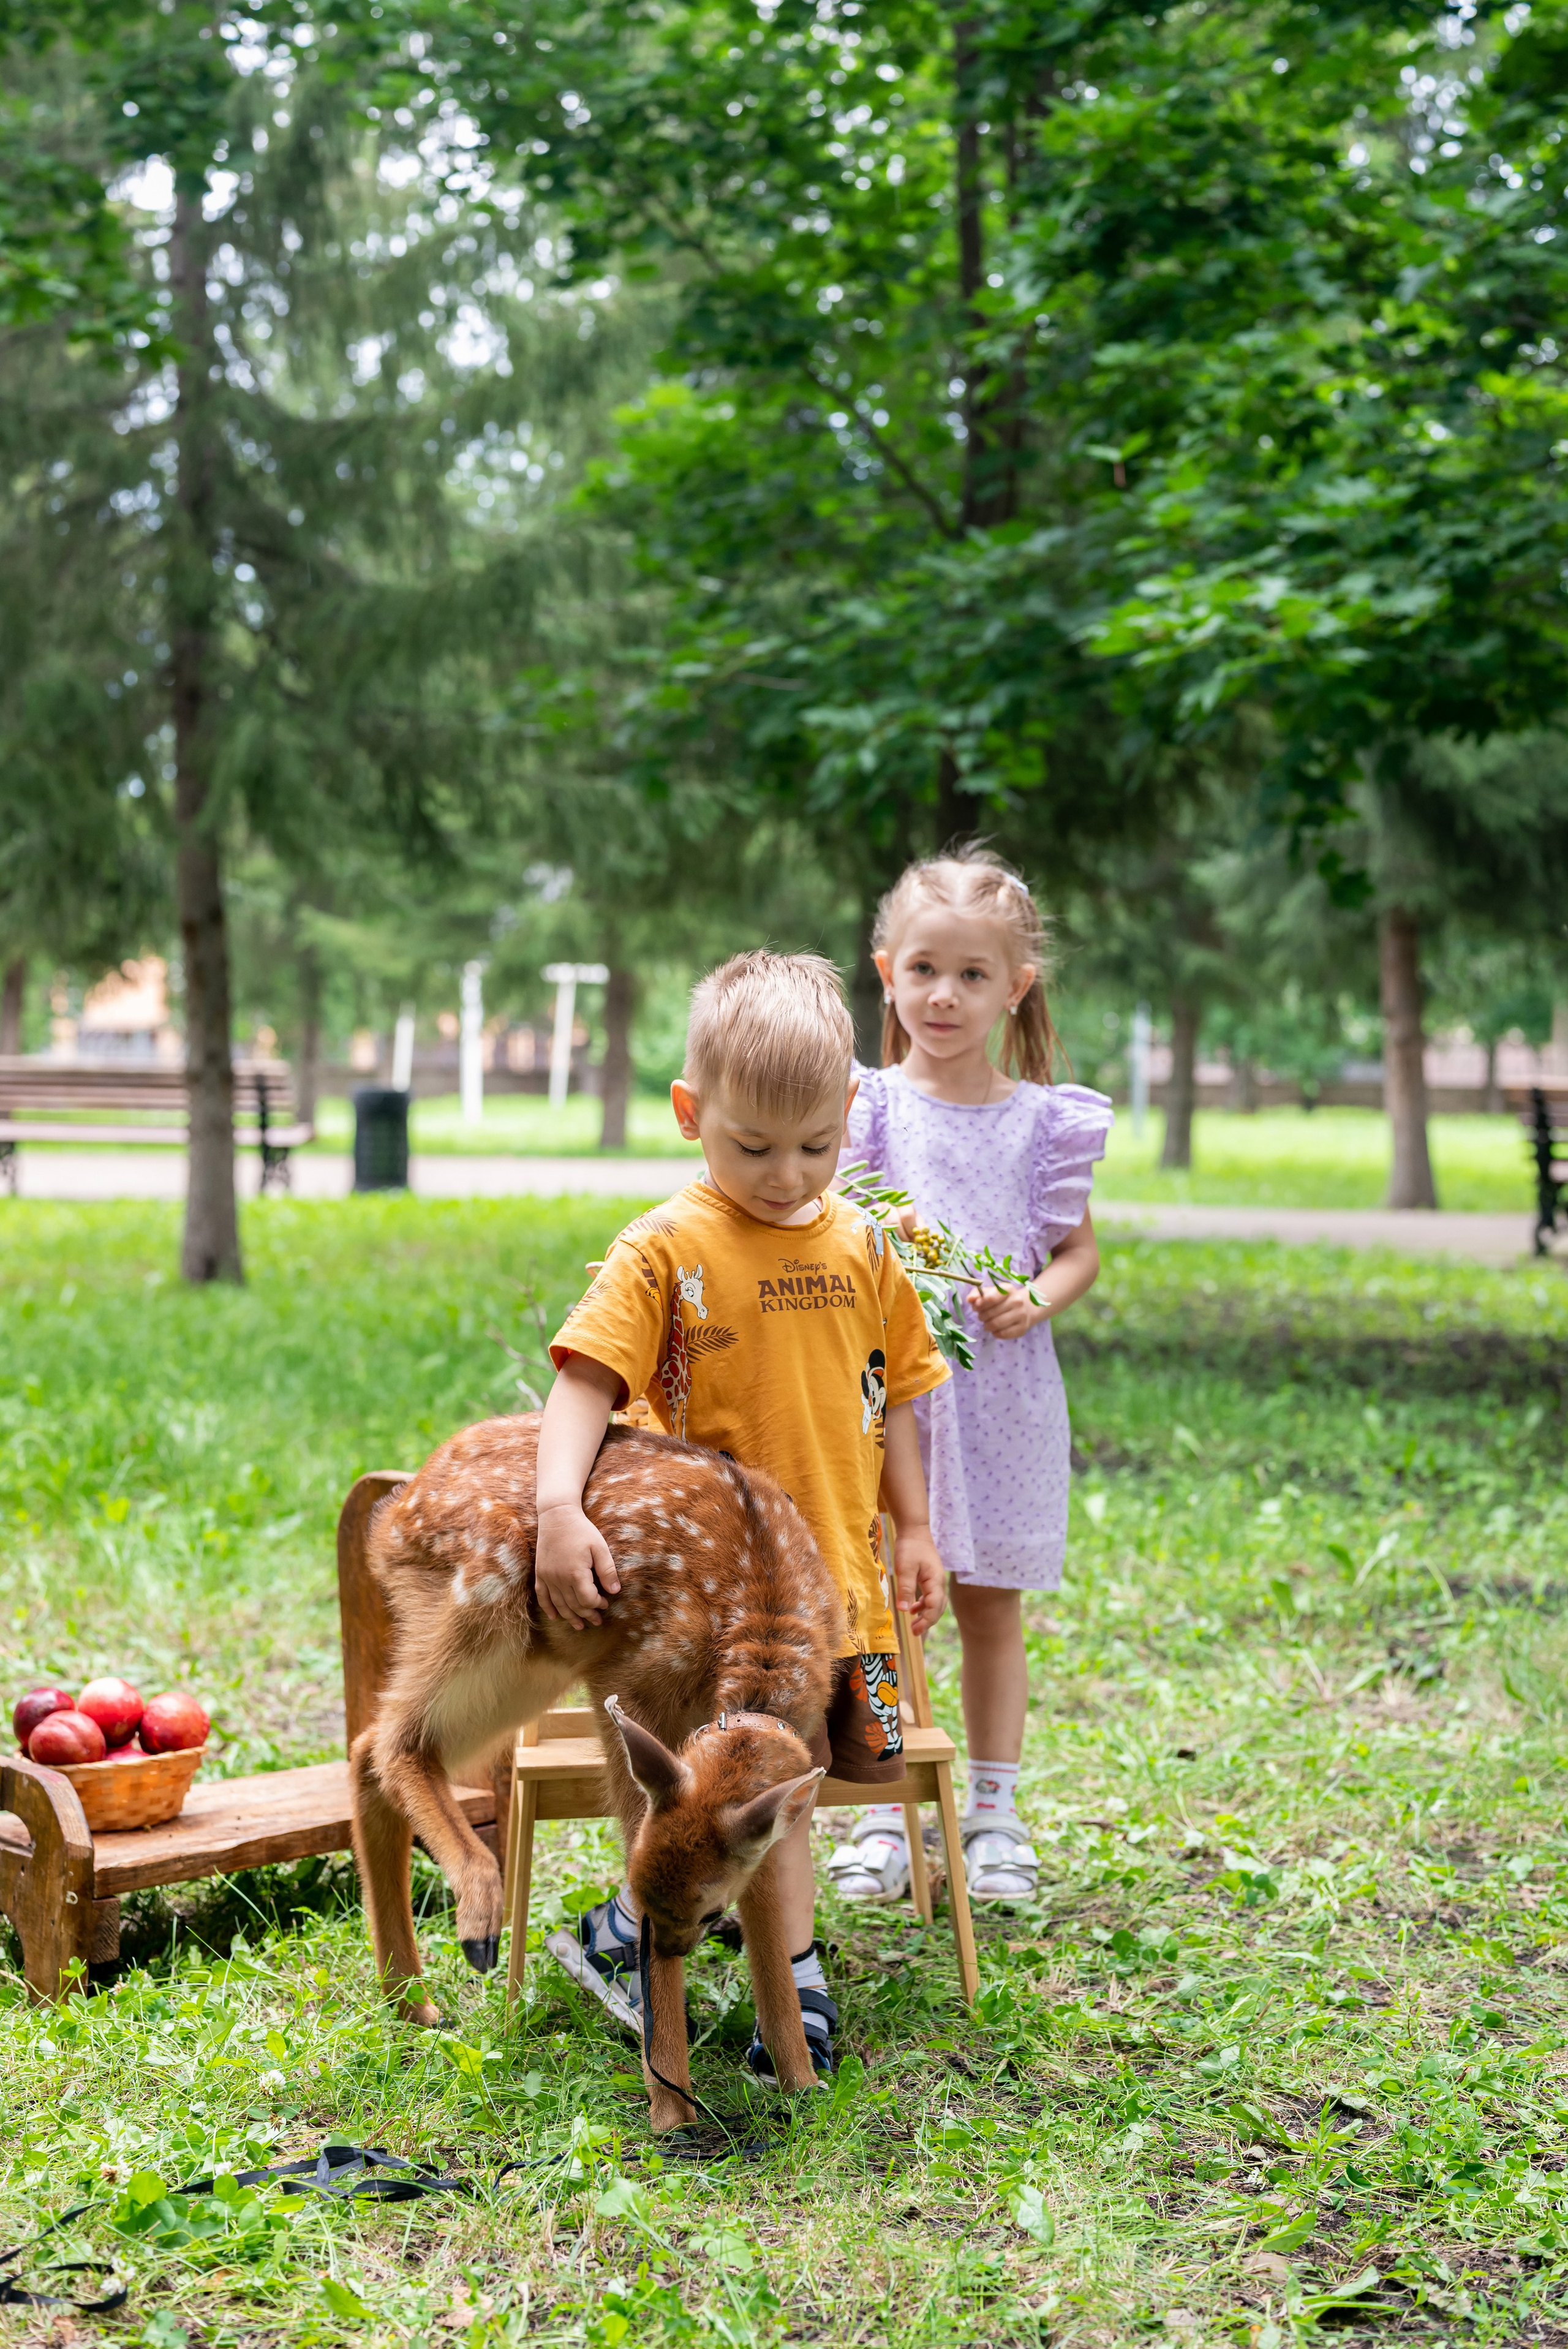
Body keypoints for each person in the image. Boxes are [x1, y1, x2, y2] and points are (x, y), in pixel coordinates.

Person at [536, 949, 950, 2079]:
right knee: (758, 1788)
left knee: (811, 1781)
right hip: (720, 1604)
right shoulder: (665, 1248)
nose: (784, 1174)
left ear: (850, 1116)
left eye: (815, 1146)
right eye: (751, 1145)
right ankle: (793, 1983)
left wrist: (914, 1529)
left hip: (847, 1600)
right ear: (690, 1113)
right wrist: (555, 1507)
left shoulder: (866, 1247)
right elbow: (586, 1380)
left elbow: (896, 1399)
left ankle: (630, 1932)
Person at [831, 850, 1112, 1908]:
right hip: (890, 1404)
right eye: (923, 971)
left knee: (991, 1606)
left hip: (1000, 1397)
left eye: (973, 976)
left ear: (1016, 987)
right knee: (886, 1608)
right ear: (886, 972)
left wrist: (1036, 1297)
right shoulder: (864, 1110)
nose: (944, 996)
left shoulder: (1043, 1122)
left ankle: (992, 1812)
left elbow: (1077, 1252)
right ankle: (884, 1805)